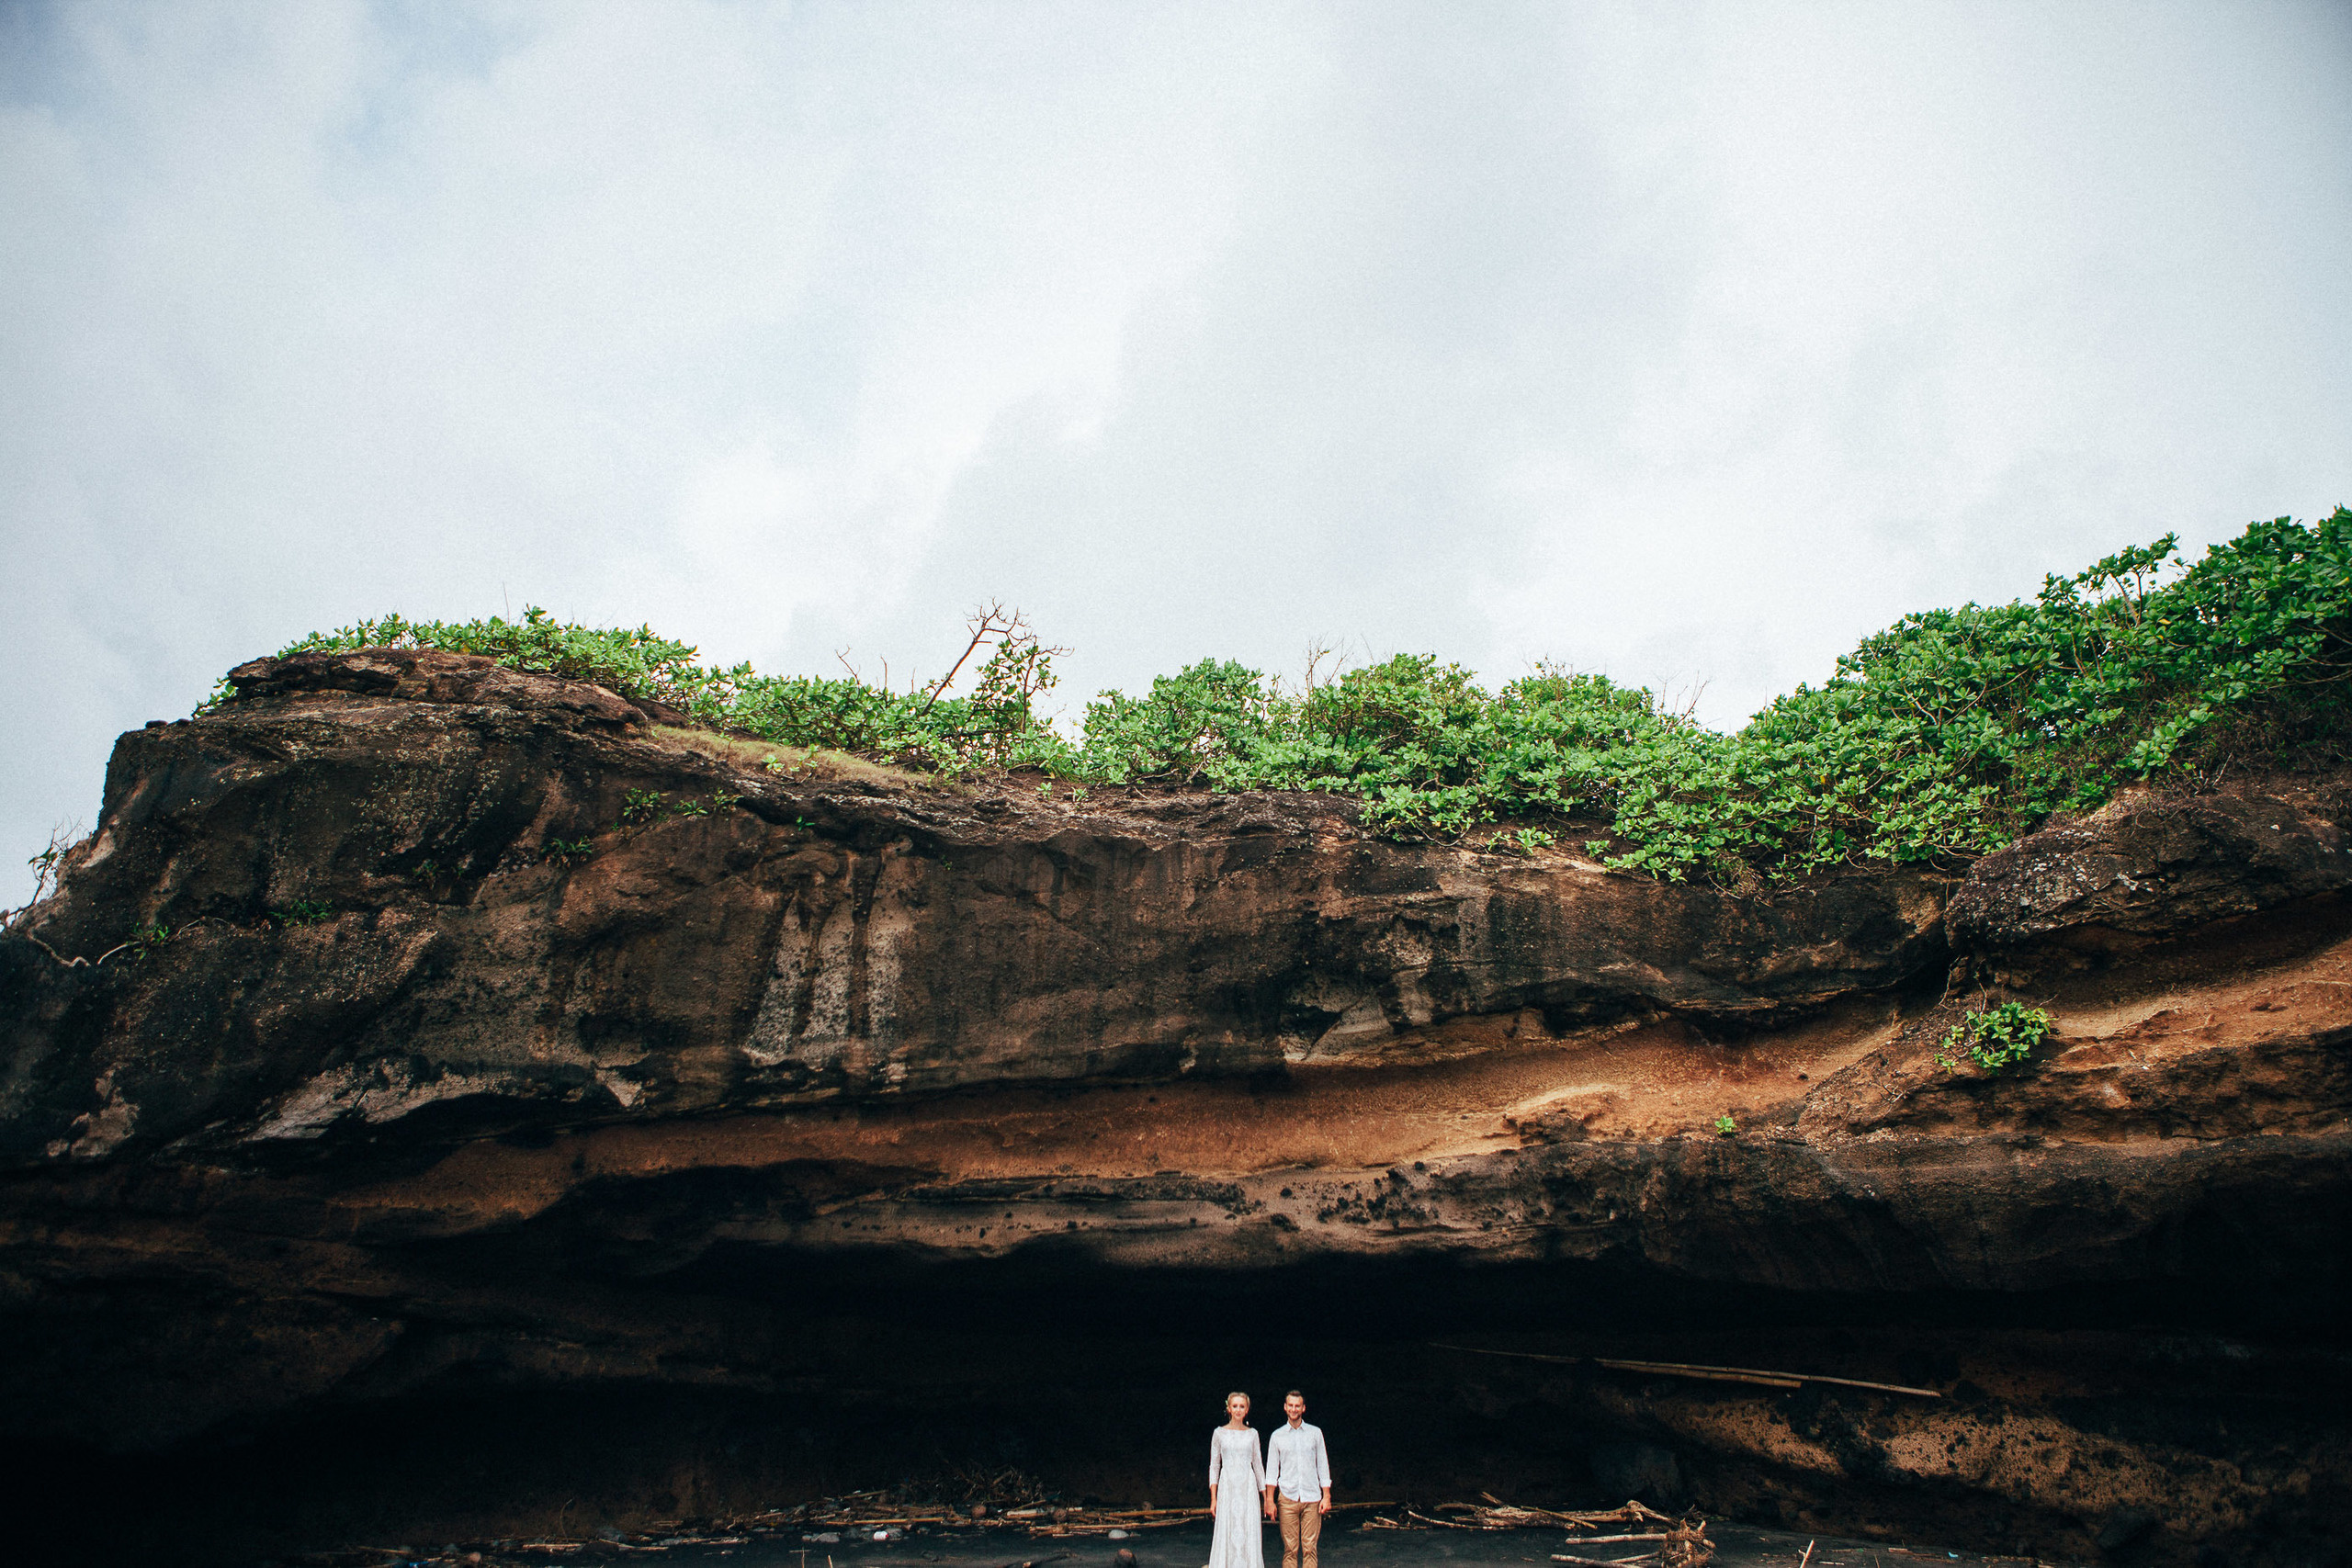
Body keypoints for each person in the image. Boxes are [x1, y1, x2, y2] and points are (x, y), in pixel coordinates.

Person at [1261, 1389, 1331, 1568]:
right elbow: (1271, 1471)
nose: (1294, 1409)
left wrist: (1326, 1495)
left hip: (1312, 1497)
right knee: (1290, 1549)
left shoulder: (1315, 1433)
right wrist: (1270, 1500)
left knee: (1310, 1548)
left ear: (1303, 1408)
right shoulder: (1277, 1436)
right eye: (1290, 1405)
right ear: (1285, 1407)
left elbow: (1322, 1465)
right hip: (1287, 1497)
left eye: (1297, 1406)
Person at [1205, 1391, 1267, 1568]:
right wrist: (1213, 1497)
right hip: (1227, 1487)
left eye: (1242, 1406)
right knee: (1227, 1529)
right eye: (1235, 1406)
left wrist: (1266, 1497)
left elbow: (1258, 1465)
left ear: (1247, 1410)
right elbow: (1215, 1466)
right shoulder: (1219, 1433)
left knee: (1248, 1531)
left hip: (1247, 1488)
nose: (1238, 1410)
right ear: (1229, 1409)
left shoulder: (1252, 1434)